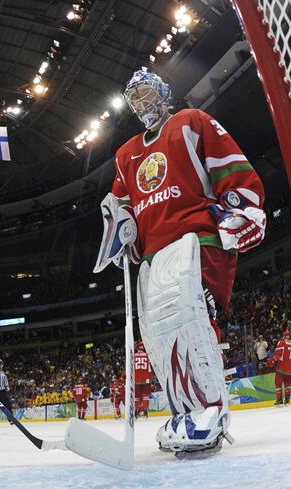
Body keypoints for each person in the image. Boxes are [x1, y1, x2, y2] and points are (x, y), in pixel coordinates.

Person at [94, 68, 266, 457]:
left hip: (195, 237)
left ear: (164, 93)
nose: (142, 103)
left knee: (189, 318)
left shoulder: (191, 122)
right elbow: (121, 206)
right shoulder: (125, 155)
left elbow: (232, 171)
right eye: (134, 98)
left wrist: (241, 209)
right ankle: (186, 411)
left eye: (147, 93)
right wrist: (120, 223)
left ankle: (211, 409)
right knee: (159, 334)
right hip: (154, 253)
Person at [267, 330, 291, 406]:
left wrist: (271, 361)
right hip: (289, 369)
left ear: (283, 336)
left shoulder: (281, 342)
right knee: (288, 384)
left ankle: (279, 400)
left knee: (278, 384)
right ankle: (287, 401)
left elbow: (278, 354)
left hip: (281, 367)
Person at [134, 341, 153, 418]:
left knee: (137, 396)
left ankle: (137, 411)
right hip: (146, 378)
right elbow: (150, 368)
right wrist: (151, 378)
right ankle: (145, 411)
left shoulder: (133, 356)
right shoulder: (147, 355)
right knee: (145, 396)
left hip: (136, 378)